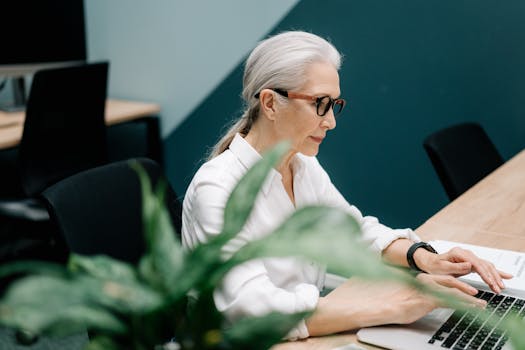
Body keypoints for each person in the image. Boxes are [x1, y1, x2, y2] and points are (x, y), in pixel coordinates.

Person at [181, 30, 512, 340]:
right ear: (269, 103)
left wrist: (422, 256)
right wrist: (394, 306)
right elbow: (253, 313)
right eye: (320, 104)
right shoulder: (218, 190)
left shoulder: (302, 164)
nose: (331, 121)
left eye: (335, 104)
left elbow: (352, 232)